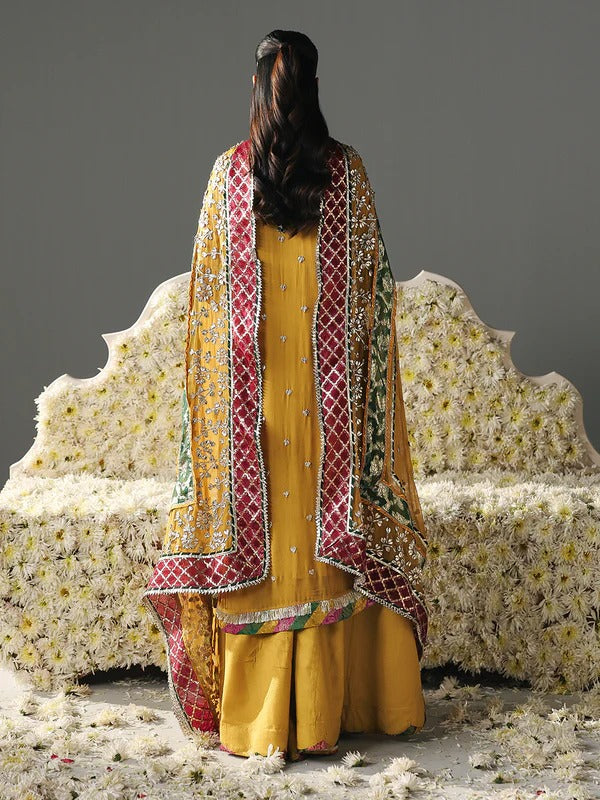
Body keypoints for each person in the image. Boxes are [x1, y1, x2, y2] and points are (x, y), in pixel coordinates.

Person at [143, 28, 429, 764]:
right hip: (328, 415)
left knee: (269, 544)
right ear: (315, 91)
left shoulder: (226, 176)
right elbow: (373, 300)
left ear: (256, 91)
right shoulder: (349, 173)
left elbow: (206, 317)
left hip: (252, 415)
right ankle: (350, 707)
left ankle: (263, 720)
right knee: (325, 539)